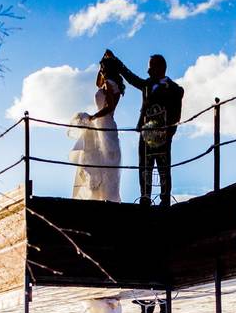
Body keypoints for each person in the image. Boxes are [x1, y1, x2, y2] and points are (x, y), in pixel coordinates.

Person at [101, 49, 183, 206]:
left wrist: (169, 133)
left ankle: (165, 197)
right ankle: (145, 196)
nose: (148, 70)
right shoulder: (147, 85)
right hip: (145, 132)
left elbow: (176, 115)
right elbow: (131, 78)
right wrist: (116, 61)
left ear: (160, 68)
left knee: (163, 166)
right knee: (145, 165)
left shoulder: (175, 89)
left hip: (163, 134)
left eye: (151, 67)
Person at [67, 56, 124, 201]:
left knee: (105, 161)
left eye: (103, 67)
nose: (101, 70)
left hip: (105, 124)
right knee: (99, 160)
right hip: (103, 124)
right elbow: (97, 82)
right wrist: (102, 64)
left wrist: (93, 117)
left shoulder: (110, 85)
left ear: (108, 69)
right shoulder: (107, 83)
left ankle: (108, 197)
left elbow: (109, 107)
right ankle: (100, 195)